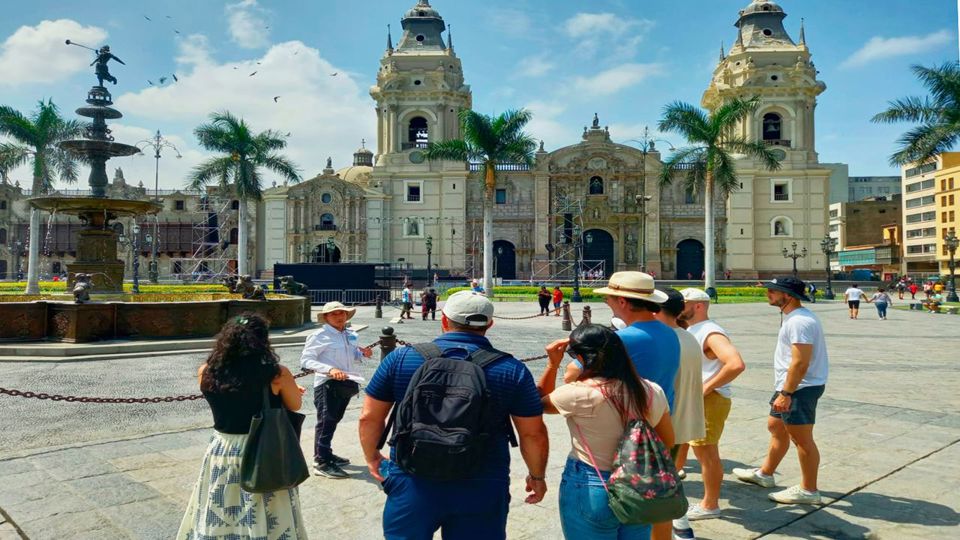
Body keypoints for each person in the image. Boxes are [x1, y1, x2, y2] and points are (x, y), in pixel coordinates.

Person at [359, 291, 549, 540]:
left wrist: (372, 457)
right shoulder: (511, 370)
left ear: (444, 320)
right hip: (482, 480)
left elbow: (369, 417)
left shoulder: (401, 358)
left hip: (412, 476)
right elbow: (532, 433)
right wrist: (537, 476)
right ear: (489, 324)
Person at [177, 313, 308, 539]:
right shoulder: (276, 374)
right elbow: (294, 404)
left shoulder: (206, 371)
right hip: (262, 447)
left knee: (220, 505)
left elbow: (229, 400)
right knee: (264, 507)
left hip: (222, 447)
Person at [537, 325, 674, 540]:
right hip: (640, 485)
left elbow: (538, 405)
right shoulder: (650, 390)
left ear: (582, 357)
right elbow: (668, 440)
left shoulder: (578, 394)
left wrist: (552, 365)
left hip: (593, 483)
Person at [734, 277, 828, 505]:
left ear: (788, 295)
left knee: (802, 439)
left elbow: (800, 363)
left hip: (799, 388)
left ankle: (809, 490)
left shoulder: (799, 322)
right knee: (775, 426)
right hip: (789, 386)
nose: (768, 293)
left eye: (773, 291)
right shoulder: (792, 317)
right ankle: (765, 474)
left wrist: (786, 394)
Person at [674, 288, 746, 522]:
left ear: (698, 306)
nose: (679, 307)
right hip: (697, 398)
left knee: (706, 452)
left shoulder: (711, 331)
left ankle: (710, 505)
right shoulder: (694, 329)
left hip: (709, 400)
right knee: (688, 444)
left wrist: (706, 387)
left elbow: (735, 364)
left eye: (684, 303)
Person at [652, 288, 706, 540]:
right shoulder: (687, 336)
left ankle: (679, 528)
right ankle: (681, 527)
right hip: (682, 422)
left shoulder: (664, 341)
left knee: (659, 483)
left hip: (667, 424)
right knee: (668, 477)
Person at [300, 302, 372, 479]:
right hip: (327, 384)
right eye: (334, 314)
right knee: (325, 422)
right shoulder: (319, 336)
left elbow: (351, 355)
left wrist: (362, 353)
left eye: (342, 313)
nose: (340, 316)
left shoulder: (348, 334)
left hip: (345, 382)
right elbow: (306, 360)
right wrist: (329, 369)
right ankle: (321, 461)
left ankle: (326, 452)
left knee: (333, 420)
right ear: (325, 317)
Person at [591, 272, 679, 411]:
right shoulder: (670, 333)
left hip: (631, 424)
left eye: (607, 299)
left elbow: (572, 373)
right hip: (662, 421)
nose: (607, 303)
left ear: (622, 302)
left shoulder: (620, 338)